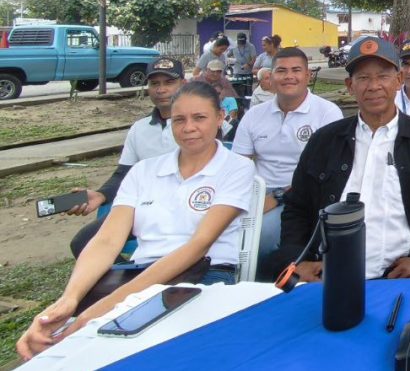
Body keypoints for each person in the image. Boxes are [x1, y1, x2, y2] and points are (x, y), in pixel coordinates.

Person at [17, 81, 255, 361]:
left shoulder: (236, 167)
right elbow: (107, 240)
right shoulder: (144, 171)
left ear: (219, 119)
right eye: (179, 119)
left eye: (199, 117)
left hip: (203, 275)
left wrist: (108, 307)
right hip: (139, 274)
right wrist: (69, 300)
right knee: (67, 348)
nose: (189, 127)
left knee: (152, 351)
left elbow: (198, 246)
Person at [272, 36, 410, 282]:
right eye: (363, 78)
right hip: (328, 277)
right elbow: (297, 207)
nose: (373, 86)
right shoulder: (325, 141)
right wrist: (298, 260)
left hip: (402, 279)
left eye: (383, 76)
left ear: (399, 80)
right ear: (350, 85)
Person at [231, 47, 344, 277]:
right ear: (270, 76)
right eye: (281, 70)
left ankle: (259, 290)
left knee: (260, 240)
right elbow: (239, 166)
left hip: (300, 197)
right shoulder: (254, 114)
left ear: (308, 75)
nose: (289, 76)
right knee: (223, 233)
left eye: (296, 70)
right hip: (256, 194)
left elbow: (325, 171)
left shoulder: (327, 113)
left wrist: (279, 196)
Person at [67, 57, 186, 258]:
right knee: (83, 243)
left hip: (188, 206)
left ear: (183, 84)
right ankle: (125, 283)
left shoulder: (199, 124)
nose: (161, 90)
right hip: (144, 209)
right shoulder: (139, 129)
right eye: (154, 84)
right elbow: (124, 173)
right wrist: (101, 195)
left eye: (169, 82)